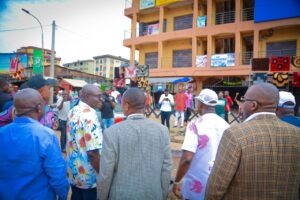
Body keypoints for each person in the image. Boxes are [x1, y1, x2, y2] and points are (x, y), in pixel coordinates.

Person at [205, 83, 300, 200]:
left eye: (244, 100)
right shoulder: (297, 134)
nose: (242, 103)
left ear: (253, 105)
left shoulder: (234, 134)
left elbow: (216, 187)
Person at [97, 88, 172, 200]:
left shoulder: (111, 133)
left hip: (121, 195)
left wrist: (101, 197)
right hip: (153, 194)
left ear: (126, 106)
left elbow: (106, 173)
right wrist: (163, 194)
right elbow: (166, 168)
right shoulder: (162, 131)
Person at [0, 88, 69, 199]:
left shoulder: (2, 133)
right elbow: (57, 175)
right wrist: (63, 196)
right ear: (39, 108)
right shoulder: (45, 135)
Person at [172, 89, 229, 200]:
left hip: (196, 188)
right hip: (218, 185)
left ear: (201, 104)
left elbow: (187, 159)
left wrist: (177, 181)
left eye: (197, 102)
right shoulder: (226, 125)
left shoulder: (195, 124)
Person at [66, 84, 103, 200]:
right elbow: (92, 152)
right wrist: (101, 173)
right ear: (86, 96)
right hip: (88, 176)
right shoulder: (90, 115)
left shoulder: (73, 111)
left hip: (73, 172)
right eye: (98, 96)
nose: (101, 99)